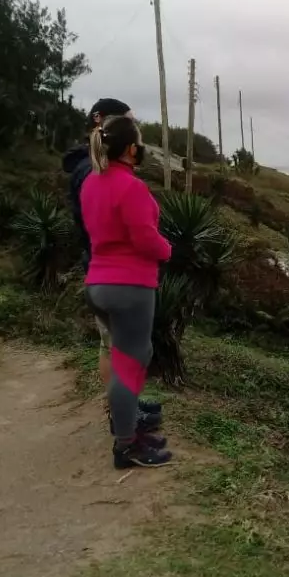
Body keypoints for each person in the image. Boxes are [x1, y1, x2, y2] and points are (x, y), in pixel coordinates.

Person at [63, 99, 162, 431]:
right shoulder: (97, 175)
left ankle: (125, 407)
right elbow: (121, 229)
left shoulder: (94, 173)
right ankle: (123, 420)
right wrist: (164, 249)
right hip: (117, 274)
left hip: (103, 272)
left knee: (121, 347)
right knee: (119, 350)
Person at [81, 114, 173, 468]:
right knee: (129, 365)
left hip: (98, 282)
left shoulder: (92, 183)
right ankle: (126, 445)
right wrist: (168, 250)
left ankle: (130, 432)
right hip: (129, 286)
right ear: (132, 149)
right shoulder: (131, 187)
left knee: (130, 358)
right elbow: (145, 238)